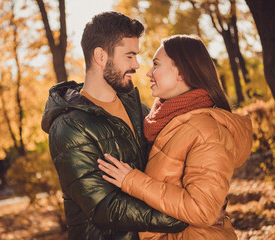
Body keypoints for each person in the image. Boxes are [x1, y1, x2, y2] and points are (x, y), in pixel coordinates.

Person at [41, 12, 188, 240]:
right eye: (129, 56)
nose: (137, 65)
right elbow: (103, 206)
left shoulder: (136, 107)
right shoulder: (68, 127)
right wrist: (185, 216)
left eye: (136, 56)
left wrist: (202, 197)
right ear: (100, 56)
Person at [97, 34, 253, 240]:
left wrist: (132, 180)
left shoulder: (207, 130)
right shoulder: (166, 121)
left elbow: (202, 210)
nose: (148, 73)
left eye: (156, 64)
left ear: (182, 72)